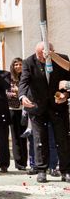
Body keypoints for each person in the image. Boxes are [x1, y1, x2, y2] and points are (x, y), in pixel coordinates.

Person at [20, 44, 70, 183]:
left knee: (63, 138)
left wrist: (65, 95)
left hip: (58, 105)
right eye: (39, 56)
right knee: (39, 139)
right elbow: (23, 82)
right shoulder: (28, 62)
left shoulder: (62, 60)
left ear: (51, 52)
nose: (41, 59)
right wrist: (22, 97)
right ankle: (41, 170)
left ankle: (66, 170)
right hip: (37, 105)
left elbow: (68, 80)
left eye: (44, 56)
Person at [7, 57, 28, 170]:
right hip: (12, 110)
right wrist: (12, 94)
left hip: (25, 110)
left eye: (20, 64)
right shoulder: (9, 78)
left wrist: (18, 90)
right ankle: (19, 163)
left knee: (24, 136)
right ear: (13, 66)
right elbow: (5, 93)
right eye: (16, 65)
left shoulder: (26, 76)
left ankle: (25, 162)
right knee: (15, 137)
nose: (18, 66)